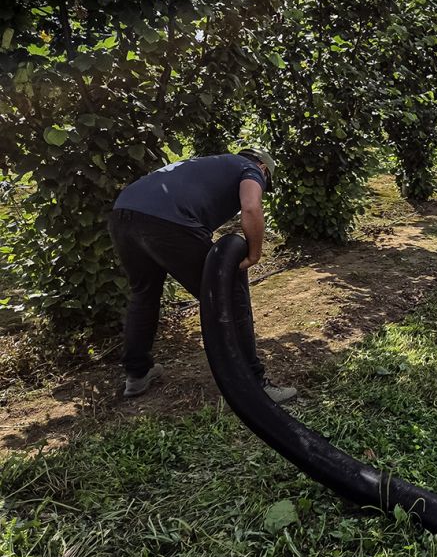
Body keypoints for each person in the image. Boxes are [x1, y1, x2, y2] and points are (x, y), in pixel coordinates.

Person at [108, 148, 297, 403]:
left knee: (145, 293)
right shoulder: (250, 168)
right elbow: (251, 208)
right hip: (167, 221)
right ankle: (253, 385)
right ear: (263, 168)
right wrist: (254, 254)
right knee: (230, 291)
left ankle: (137, 374)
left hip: (123, 213)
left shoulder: (208, 164)